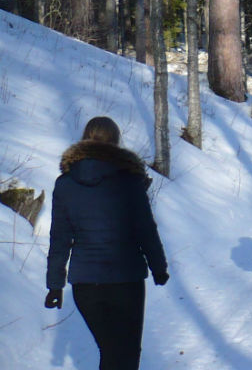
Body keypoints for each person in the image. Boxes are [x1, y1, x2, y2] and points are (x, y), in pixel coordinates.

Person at [45, 116, 168, 370]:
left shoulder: (65, 184)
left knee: (111, 351)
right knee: (125, 353)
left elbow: (60, 239)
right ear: (116, 142)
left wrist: (55, 285)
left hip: (86, 286)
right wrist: (158, 267)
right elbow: (145, 228)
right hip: (126, 280)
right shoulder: (129, 179)